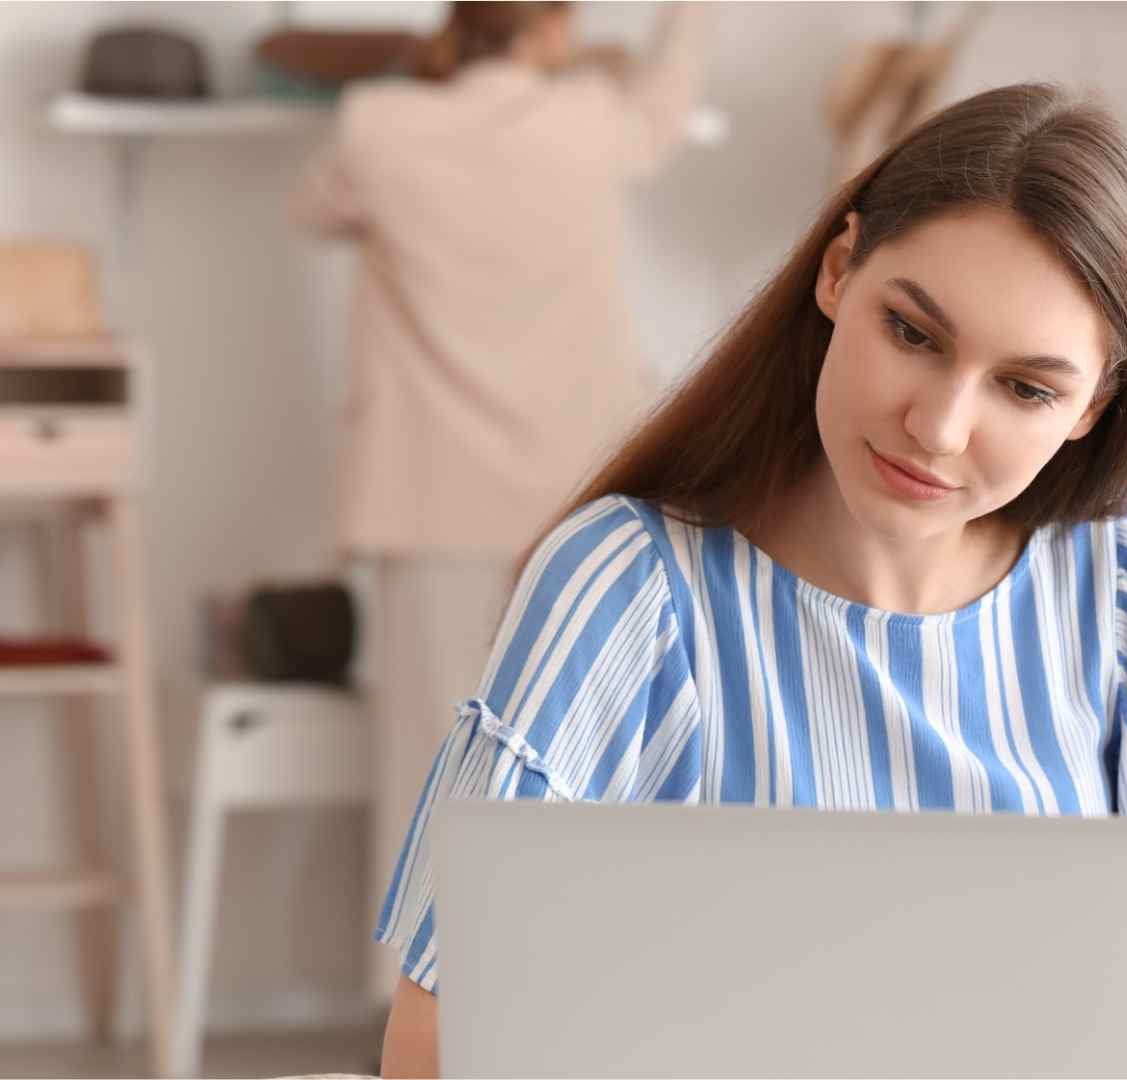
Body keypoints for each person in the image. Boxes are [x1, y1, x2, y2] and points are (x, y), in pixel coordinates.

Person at [372, 83, 1127, 1078]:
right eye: (912, 333)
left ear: (1091, 408)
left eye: (1027, 388)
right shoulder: (629, 586)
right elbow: (431, 1047)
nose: (939, 427)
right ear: (836, 272)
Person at [290, 1, 705, 1002]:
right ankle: (561, 1008)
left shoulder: (377, 124)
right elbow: (667, 100)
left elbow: (311, 210)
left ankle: (415, 1024)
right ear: (553, 29)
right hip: (580, 499)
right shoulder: (592, 120)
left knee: (427, 779)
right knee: (582, 769)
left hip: (430, 500)